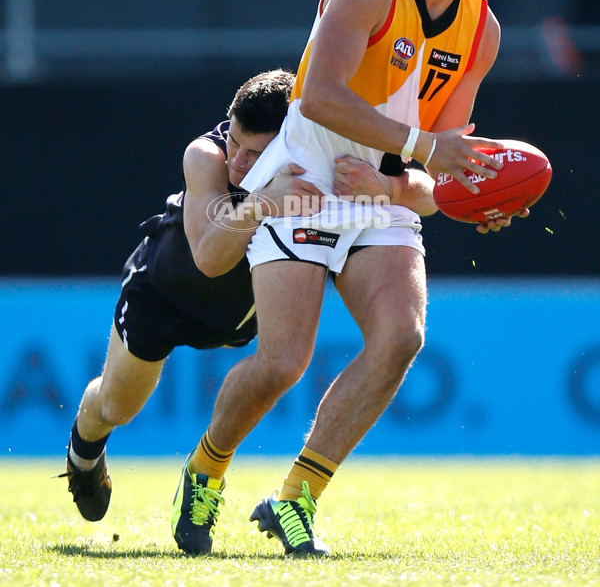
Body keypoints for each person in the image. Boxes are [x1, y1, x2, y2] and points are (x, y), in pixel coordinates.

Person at [174, 0, 538, 558]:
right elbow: (318, 100)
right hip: (306, 177)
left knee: (401, 338)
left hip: (378, 193)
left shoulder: (481, 30)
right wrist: (426, 154)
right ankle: (206, 469)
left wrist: (464, 193)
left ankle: (297, 499)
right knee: (282, 362)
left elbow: (443, 159)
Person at [59, 69, 437, 529]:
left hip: (243, 311)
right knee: (116, 406)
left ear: (294, 142)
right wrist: (260, 201)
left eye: (256, 152)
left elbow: (424, 191)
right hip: (169, 291)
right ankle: (83, 455)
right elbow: (208, 258)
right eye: (236, 141)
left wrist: (392, 189)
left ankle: (240, 484)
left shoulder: (321, 155)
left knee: (284, 363)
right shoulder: (205, 156)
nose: (238, 159)